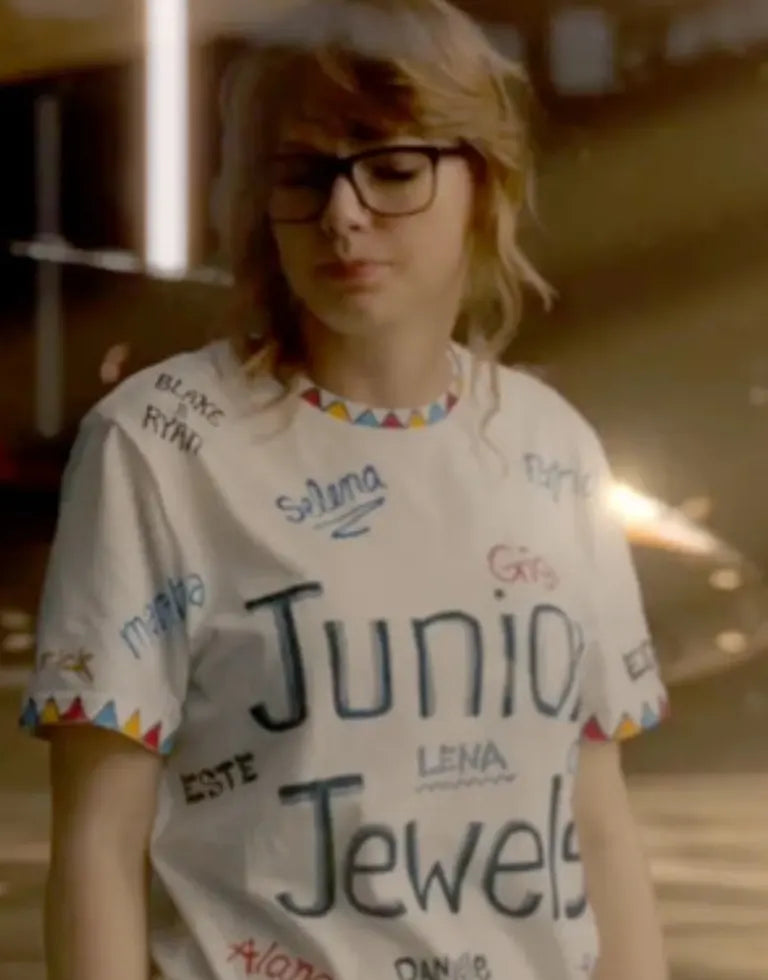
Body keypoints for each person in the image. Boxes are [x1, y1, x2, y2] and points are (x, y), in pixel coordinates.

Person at [19, 1, 671, 978]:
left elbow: (599, 822)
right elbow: (98, 846)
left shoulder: (554, 448)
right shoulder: (161, 447)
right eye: (303, 174)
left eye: (393, 169)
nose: (343, 213)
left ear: (483, 182)